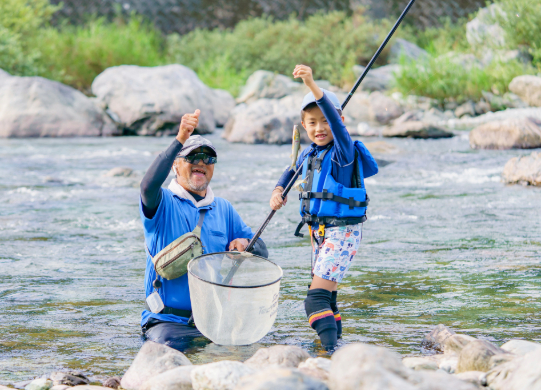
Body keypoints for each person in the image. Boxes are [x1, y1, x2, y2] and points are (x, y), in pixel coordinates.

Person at [139, 109, 268, 351]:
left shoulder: (224, 209)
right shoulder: (162, 203)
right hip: (168, 323)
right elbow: (147, 186)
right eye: (192, 157)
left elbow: (261, 251)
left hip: (214, 322)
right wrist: (179, 139)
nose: (201, 163)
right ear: (176, 166)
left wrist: (244, 243)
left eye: (208, 159)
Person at [270, 65, 378, 350]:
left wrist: (312, 85)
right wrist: (278, 190)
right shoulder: (310, 152)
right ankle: (336, 347)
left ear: (338, 120)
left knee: (314, 299)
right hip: (320, 234)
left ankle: (330, 354)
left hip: (341, 233)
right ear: (304, 127)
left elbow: (336, 124)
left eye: (325, 121)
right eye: (312, 123)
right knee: (327, 297)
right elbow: (290, 171)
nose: (320, 128)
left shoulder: (343, 152)